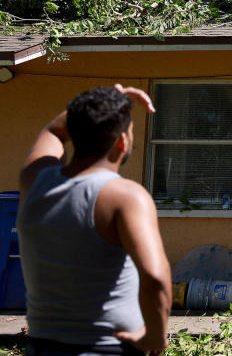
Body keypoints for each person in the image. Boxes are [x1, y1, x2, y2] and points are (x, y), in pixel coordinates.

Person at [18, 85, 172, 356]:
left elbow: (53, 130)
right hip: (106, 349)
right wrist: (155, 338)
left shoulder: (35, 180)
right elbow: (156, 278)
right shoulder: (124, 197)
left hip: (41, 347)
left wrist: (103, 102)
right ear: (122, 142)